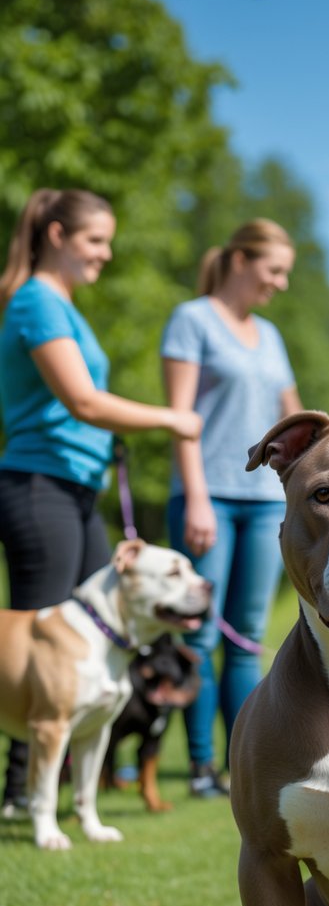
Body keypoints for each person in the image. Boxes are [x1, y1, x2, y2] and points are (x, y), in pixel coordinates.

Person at [0, 187, 202, 818]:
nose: (106, 253)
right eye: (95, 240)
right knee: (39, 647)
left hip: (75, 489)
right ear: (56, 235)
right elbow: (83, 402)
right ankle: (18, 796)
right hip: (39, 487)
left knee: (95, 639)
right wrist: (172, 418)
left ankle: (64, 796)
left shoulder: (65, 305)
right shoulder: (36, 300)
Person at [162, 218, 302, 798]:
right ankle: (200, 768)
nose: (282, 283)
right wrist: (195, 495)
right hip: (209, 496)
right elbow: (181, 418)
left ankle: (245, 764)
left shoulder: (269, 335)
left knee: (246, 638)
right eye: (274, 270)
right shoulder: (192, 320)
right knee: (198, 634)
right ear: (241, 261)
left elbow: (293, 417)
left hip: (265, 501)